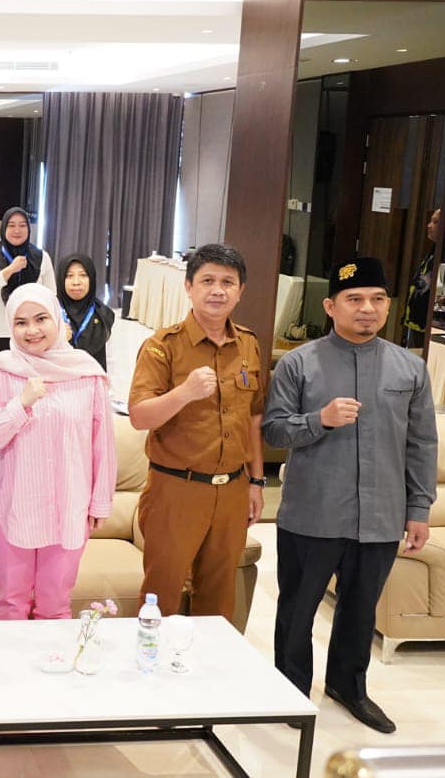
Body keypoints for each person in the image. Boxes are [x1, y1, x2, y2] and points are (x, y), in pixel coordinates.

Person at [263, 257, 436, 734]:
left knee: (360, 612)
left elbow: (422, 443)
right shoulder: (299, 363)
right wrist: (319, 420)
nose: (367, 308)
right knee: (297, 610)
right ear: (330, 306)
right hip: (312, 514)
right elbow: (274, 430)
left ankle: (348, 687)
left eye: (377, 299)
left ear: (389, 306)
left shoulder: (410, 367)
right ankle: (290, 690)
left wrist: (418, 509)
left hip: (380, 516)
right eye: (354, 299)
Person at [128, 243, 266, 620]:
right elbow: (139, 416)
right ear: (189, 287)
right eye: (207, 281)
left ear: (240, 291)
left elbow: (254, 418)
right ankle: (153, 658)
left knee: (219, 600)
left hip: (233, 489)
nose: (217, 290)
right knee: (161, 597)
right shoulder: (163, 346)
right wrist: (185, 392)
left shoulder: (249, 344)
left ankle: (208, 660)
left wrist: (256, 482)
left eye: (227, 282)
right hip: (176, 489)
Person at [0, 283, 116, 620]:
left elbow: (102, 444)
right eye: (21, 323)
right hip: (12, 506)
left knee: (55, 605)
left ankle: (54, 656)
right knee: (11, 603)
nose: (32, 330)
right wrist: (20, 403)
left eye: (41, 319)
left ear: (57, 319)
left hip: (69, 505)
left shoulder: (86, 373)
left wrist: (100, 501)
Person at [0, 208, 54, 355]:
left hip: (31, 335)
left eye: (22, 225)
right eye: (11, 225)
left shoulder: (41, 257)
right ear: (4, 228)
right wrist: (9, 270)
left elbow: (51, 296)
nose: (17, 230)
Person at [57, 253, 115, 370]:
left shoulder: (103, 314)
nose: (76, 282)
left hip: (91, 376)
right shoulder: (50, 311)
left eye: (83, 275)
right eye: (69, 276)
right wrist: (56, 339)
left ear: (91, 279)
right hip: (57, 376)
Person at [401, 209, 441, 348]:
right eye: (430, 221)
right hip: (415, 320)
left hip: (430, 323)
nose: (429, 225)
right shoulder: (433, 251)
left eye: (435, 222)